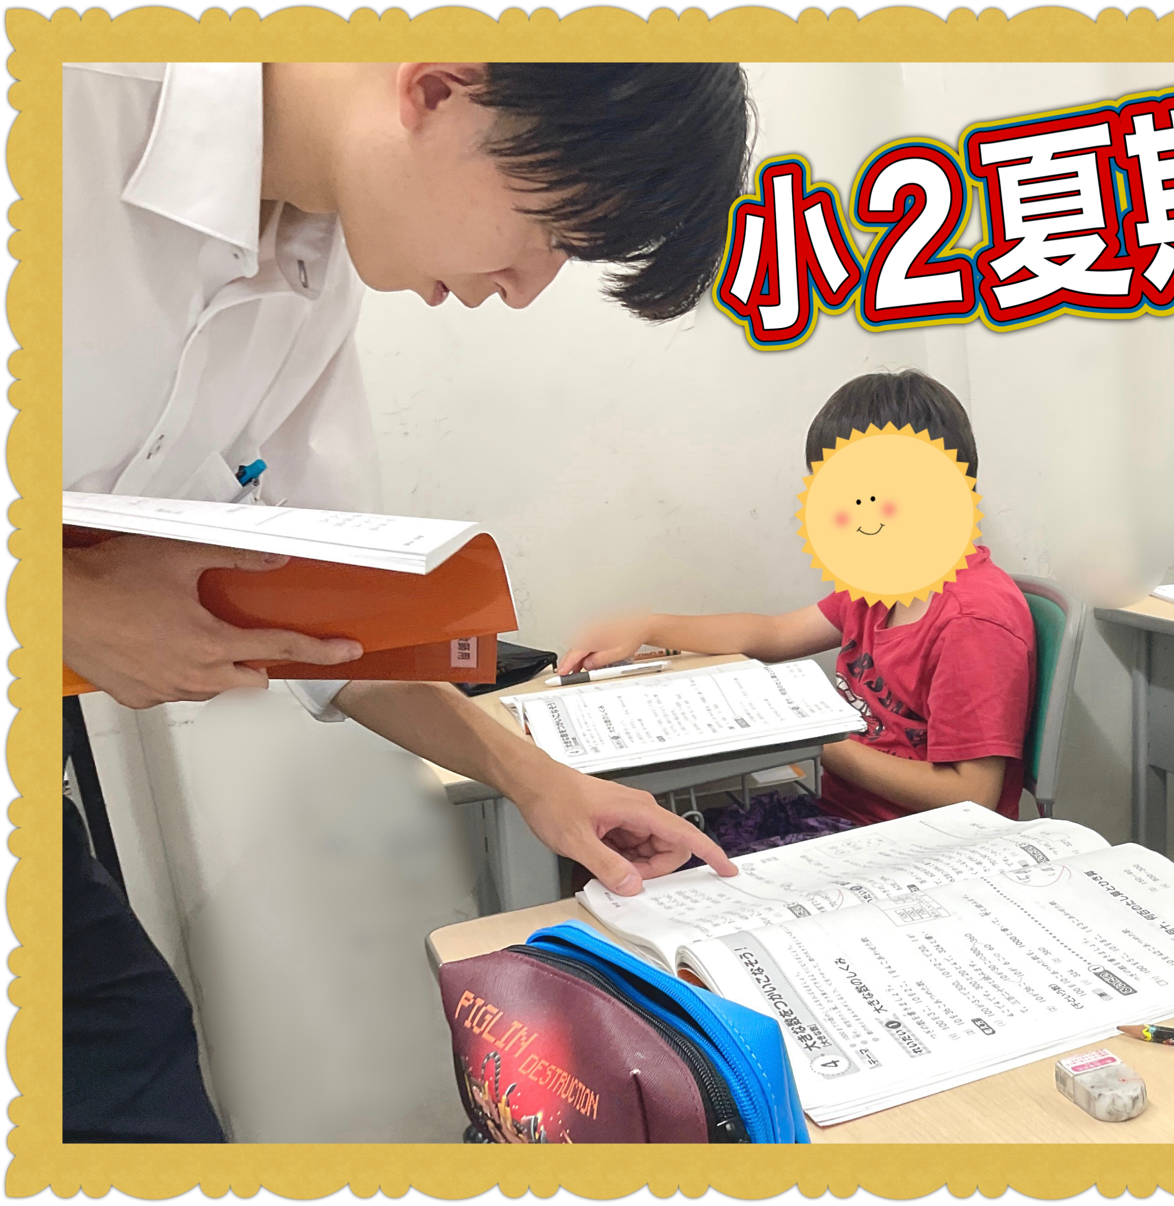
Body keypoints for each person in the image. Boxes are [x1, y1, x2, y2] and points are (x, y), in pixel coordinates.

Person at [61, 61, 751, 1141]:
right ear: (435, 90)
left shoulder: (311, 278)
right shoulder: (80, 100)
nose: (523, 289)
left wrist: (542, 783)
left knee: (134, 1064)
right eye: (548, 231)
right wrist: (71, 607)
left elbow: (336, 635)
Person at [560, 370, 1038, 855]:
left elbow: (972, 795)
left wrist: (812, 738)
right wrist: (647, 626)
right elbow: (774, 632)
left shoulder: (973, 619)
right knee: (626, 841)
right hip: (841, 816)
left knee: (644, 860)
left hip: (910, 845)